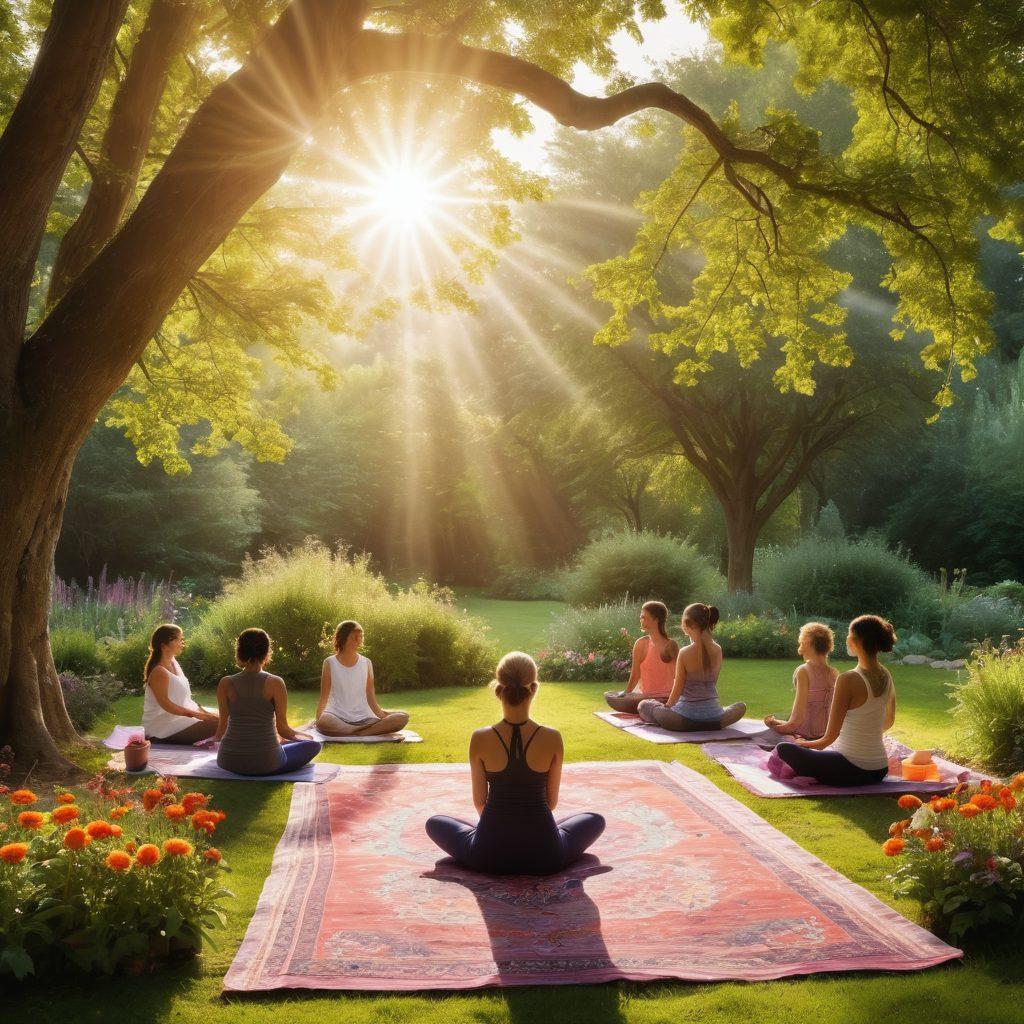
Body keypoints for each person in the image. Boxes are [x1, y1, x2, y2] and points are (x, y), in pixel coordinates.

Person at [425, 652, 605, 875]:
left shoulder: (480, 738)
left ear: (498, 690)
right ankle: (542, 834)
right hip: (546, 856)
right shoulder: (552, 738)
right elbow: (551, 802)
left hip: (488, 856)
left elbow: (480, 803)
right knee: (595, 820)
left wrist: (502, 830)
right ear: (534, 688)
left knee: (435, 822)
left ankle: (492, 835)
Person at [774, 615, 897, 787]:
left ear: (855, 640)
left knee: (784, 749)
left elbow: (828, 739)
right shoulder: (886, 674)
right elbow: (888, 721)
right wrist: (865, 734)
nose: (846, 638)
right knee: (799, 750)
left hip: (851, 769)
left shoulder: (848, 679)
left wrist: (802, 743)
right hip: (880, 768)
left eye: (849, 633)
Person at [214, 628, 322, 776]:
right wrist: (307, 736)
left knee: (285, 745)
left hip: (228, 761)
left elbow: (221, 728)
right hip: (267, 763)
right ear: (266, 652)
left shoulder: (225, 683)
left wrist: (215, 739)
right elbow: (283, 729)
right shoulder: (275, 682)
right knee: (314, 746)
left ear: (240, 652)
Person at [637, 603, 746, 731]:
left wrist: (667, 708)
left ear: (687, 625)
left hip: (684, 718)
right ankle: (710, 723)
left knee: (644, 705)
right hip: (714, 715)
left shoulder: (685, 652)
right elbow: (712, 683)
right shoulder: (718, 649)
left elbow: (678, 688)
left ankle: (693, 723)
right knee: (741, 706)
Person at [315, 621, 409, 737]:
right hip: (337, 716)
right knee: (324, 722)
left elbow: (371, 699)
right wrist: (319, 719)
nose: (359, 640)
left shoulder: (366, 663)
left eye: (361, 637)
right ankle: (361, 731)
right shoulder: (329, 662)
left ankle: (360, 732)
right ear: (343, 638)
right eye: (355, 637)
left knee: (403, 717)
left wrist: (383, 715)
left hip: (365, 718)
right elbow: (324, 697)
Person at [142, 623, 218, 744]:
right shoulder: (159, 672)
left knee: (223, 718)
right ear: (164, 645)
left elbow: (186, 700)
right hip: (160, 730)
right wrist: (197, 715)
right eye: (179, 639)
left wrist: (205, 713)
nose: (182, 642)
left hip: (177, 721)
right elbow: (166, 704)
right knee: (217, 724)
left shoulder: (173, 662)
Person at [763, 622, 838, 740]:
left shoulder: (803, 671)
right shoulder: (834, 673)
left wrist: (774, 726)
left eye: (801, 643)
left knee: (767, 731)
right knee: (776, 720)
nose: (800, 650)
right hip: (825, 735)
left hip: (805, 736)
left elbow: (795, 722)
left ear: (807, 643)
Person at [604, 601, 679, 712]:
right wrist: (626, 693)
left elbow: (677, 676)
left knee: (642, 706)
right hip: (655, 700)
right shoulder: (646, 643)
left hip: (658, 700)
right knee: (611, 696)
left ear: (656, 619)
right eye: (641, 618)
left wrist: (626, 693)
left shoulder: (667, 645)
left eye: (644, 617)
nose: (641, 620)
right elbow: (635, 675)